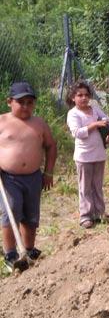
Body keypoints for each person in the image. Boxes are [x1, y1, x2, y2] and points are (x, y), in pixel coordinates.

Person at [0, 81, 57, 272]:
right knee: (11, 211)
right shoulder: (2, 122)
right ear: (9, 101)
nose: (25, 107)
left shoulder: (39, 123)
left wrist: (48, 172)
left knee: (31, 215)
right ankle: (10, 253)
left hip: (33, 177)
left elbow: (51, 146)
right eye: (21, 102)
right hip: (9, 179)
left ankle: (29, 249)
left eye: (29, 103)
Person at [67, 80, 109, 228]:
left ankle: (99, 212)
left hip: (99, 154)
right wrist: (94, 125)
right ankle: (86, 216)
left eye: (86, 95)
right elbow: (77, 133)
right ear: (72, 98)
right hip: (84, 157)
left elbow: (108, 120)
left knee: (97, 185)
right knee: (85, 187)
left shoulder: (94, 110)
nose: (83, 98)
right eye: (79, 95)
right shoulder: (73, 114)